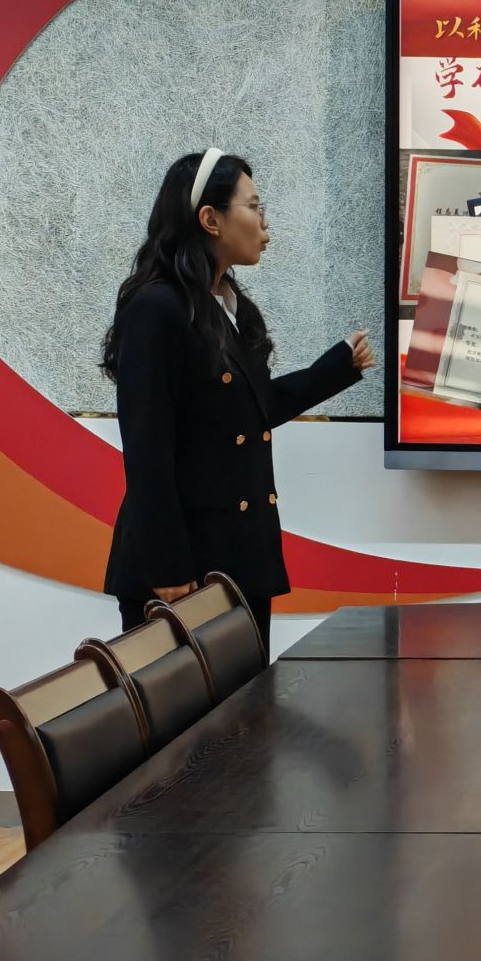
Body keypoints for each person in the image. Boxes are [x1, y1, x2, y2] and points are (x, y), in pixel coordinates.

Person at [101, 149, 374, 652]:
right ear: (210, 219)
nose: (265, 223)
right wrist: (168, 568)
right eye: (253, 206)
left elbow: (253, 409)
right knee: (178, 705)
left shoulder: (225, 306)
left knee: (248, 703)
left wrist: (337, 368)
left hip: (238, 558)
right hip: (181, 571)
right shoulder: (156, 308)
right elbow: (147, 449)